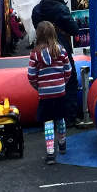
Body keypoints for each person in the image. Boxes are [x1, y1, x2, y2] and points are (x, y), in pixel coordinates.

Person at [32, 0, 80, 125]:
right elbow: (74, 30)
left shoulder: (37, 9)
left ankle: (47, 119)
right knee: (69, 80)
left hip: (41, 48)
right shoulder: (61, 8)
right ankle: (69, 117)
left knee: (45, 81)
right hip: (60, 47)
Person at [27, 21, 72, 164]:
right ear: (54, 33)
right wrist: (62, 83)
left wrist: (39, 86)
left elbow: (31, 75)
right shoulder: (61, 50)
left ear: (38, 35)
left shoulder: (35, 54)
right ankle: (62, 144)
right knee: (60, 118)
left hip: (45, 93)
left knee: (48, 121)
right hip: (60, 91)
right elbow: (68, 70)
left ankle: (50, 153)